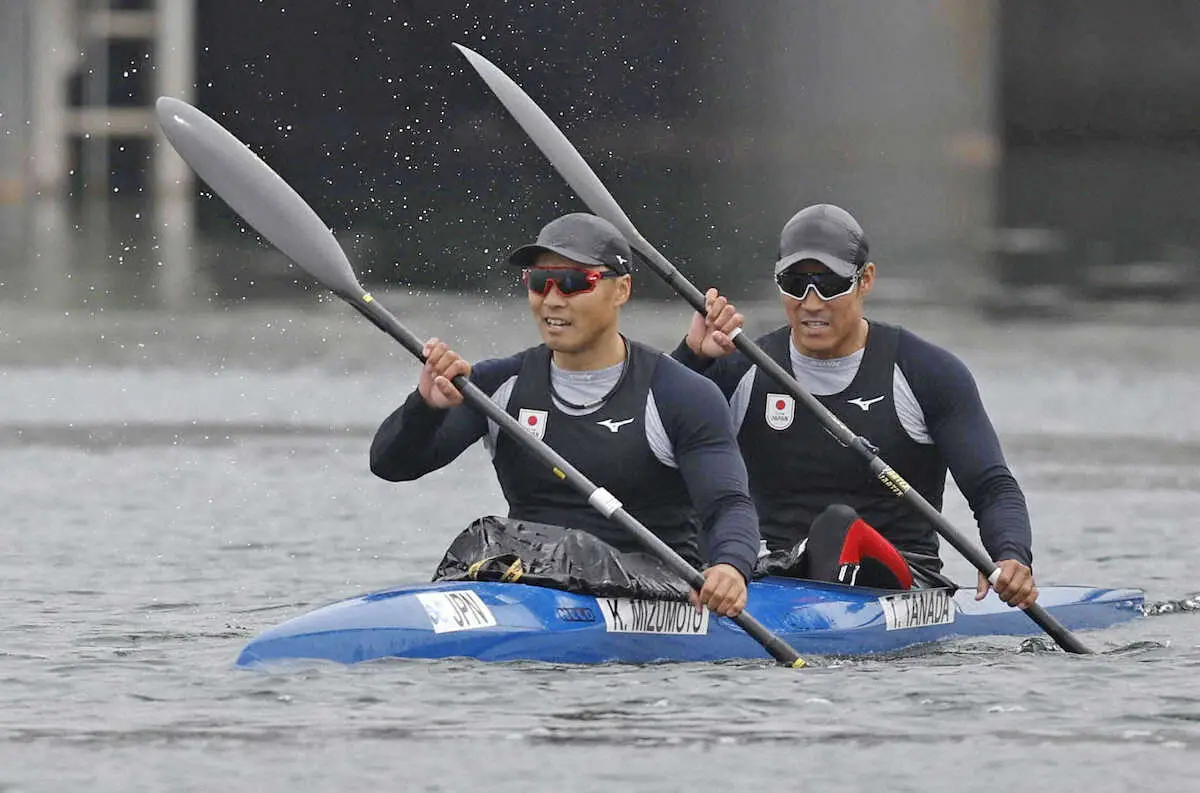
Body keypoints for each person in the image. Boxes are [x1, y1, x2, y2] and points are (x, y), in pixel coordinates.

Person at [370, 212, 759, 616]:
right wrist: (425, 407)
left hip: (655, 597)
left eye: (574, 283)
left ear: (621, 289)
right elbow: (391, 466)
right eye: (540, 282)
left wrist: (730, 566)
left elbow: (728, 503)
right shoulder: (497, 384)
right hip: (532, 592)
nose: (553, 300)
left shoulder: (681, 394)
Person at [672, 203, 1038, 609]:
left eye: (829, 285)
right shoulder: (742, 368)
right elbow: (646, 443)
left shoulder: (926, 372)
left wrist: (1010, 554)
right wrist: (692, 357)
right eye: (794, 284)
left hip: (905, 582)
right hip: (774, 578)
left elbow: (991, 486)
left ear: (865, 280)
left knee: (837, 526)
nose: (811, 303)